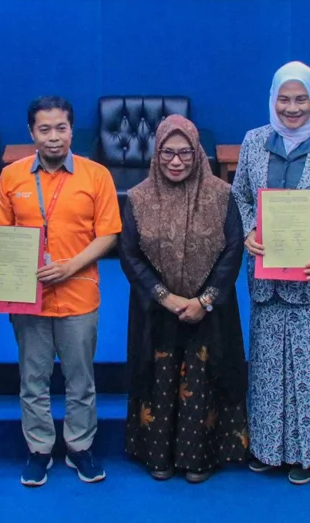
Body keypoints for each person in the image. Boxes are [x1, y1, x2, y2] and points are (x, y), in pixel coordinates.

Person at [0, 95, 120, 487]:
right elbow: (1, 237)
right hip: (27, 296)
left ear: (72, 130)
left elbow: (108, 234)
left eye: (61, 128)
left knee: (80, 379)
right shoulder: (12, 176)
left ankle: (79, 447)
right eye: (44, 129)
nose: (53, 137)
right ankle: (39, 449)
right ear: (31, 133)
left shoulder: (96, 175)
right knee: (32, 379)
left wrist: (70, 266)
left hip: (78, 293)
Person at [231, 61, 310, 486]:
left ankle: (309, 452)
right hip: (268, 280)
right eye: (284, 99)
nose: (292, 107)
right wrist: (249, 230)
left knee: (309, 367)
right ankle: (269, 449)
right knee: (268, 368)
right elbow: (241, 198)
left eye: (300, 99)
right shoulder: (253, 142)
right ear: (272, 99)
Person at [118, 115, 249, 484]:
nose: (176, 162)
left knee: (204, 377)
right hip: (157, 311)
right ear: (156, 155)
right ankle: (157, 454)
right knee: (158, 378)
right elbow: (129, 255)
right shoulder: (139, 197)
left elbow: (233, 250)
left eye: (185, 153)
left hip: (209, 311)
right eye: (167, 153)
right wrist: (166, 297)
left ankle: (201, 456)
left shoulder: (222, 195)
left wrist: (204, 300)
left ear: (198, 154)